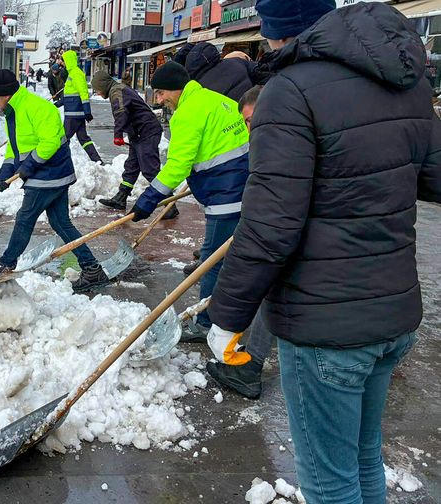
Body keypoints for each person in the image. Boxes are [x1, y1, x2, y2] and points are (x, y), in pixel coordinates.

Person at [206, 2, 441, 503]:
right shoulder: (410, 82)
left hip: (325, 329)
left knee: (330, 483)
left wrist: (227, 317)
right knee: (360, 460)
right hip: (393, 316)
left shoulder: (289, 92)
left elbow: (270, 225)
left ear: (279, 33)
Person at [128, 61, 249, 334]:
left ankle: (206, 324)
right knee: (229, 257)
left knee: (211, 260)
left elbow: (177, 166)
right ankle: (231, 310)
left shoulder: (186, 114)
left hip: (227, 194)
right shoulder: (217, 100)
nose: (159, 100)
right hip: (246, 186)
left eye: (161, 93)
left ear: (176, 89)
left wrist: (148, 199)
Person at [0, 69, 110, 293]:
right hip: (44, 173)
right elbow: (15, 150)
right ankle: (92, 267)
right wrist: (4, 173)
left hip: (50, 173)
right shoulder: (13, 111)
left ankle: (7, 262)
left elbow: (50, 142)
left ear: (4, 94)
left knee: (25, 217)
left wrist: (28, 167)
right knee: (61, 223)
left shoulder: (36, 107)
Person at [204, 84, 266, 400]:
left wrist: (225, 319)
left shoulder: (281, 143)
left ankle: (250, 368)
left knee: (271, 290)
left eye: (252, 120)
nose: (248, 128)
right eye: (245, 122)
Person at [179, 41, 257, 276]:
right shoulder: (237, 65)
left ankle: (212, 256)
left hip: (233, 154)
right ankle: (216, 250)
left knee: (225, 212)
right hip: (250, 140)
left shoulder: (204, 90)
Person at [90, 70, 176, 220]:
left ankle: (169, 204)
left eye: (97, 88)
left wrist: (117, 135)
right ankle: (121, 197)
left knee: (150, 169)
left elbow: (121, 112)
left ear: (103, 85)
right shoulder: (118, 89)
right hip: (138, 133)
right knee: (132, 166)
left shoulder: (116, 91)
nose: (97, 92)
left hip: (146, 131)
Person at [59, 50, 103, 163]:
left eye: (63, 61)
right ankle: (97, 160)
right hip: (75, 113)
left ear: (68, 61)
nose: (61, 63)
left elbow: (83, 92)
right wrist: (58, 104)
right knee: (84, 138)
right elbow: (70, 94)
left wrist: (87, 111)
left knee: (63, 139)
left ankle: (60, 161)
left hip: (73, 114)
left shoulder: (76, 73)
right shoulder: (72, 73)